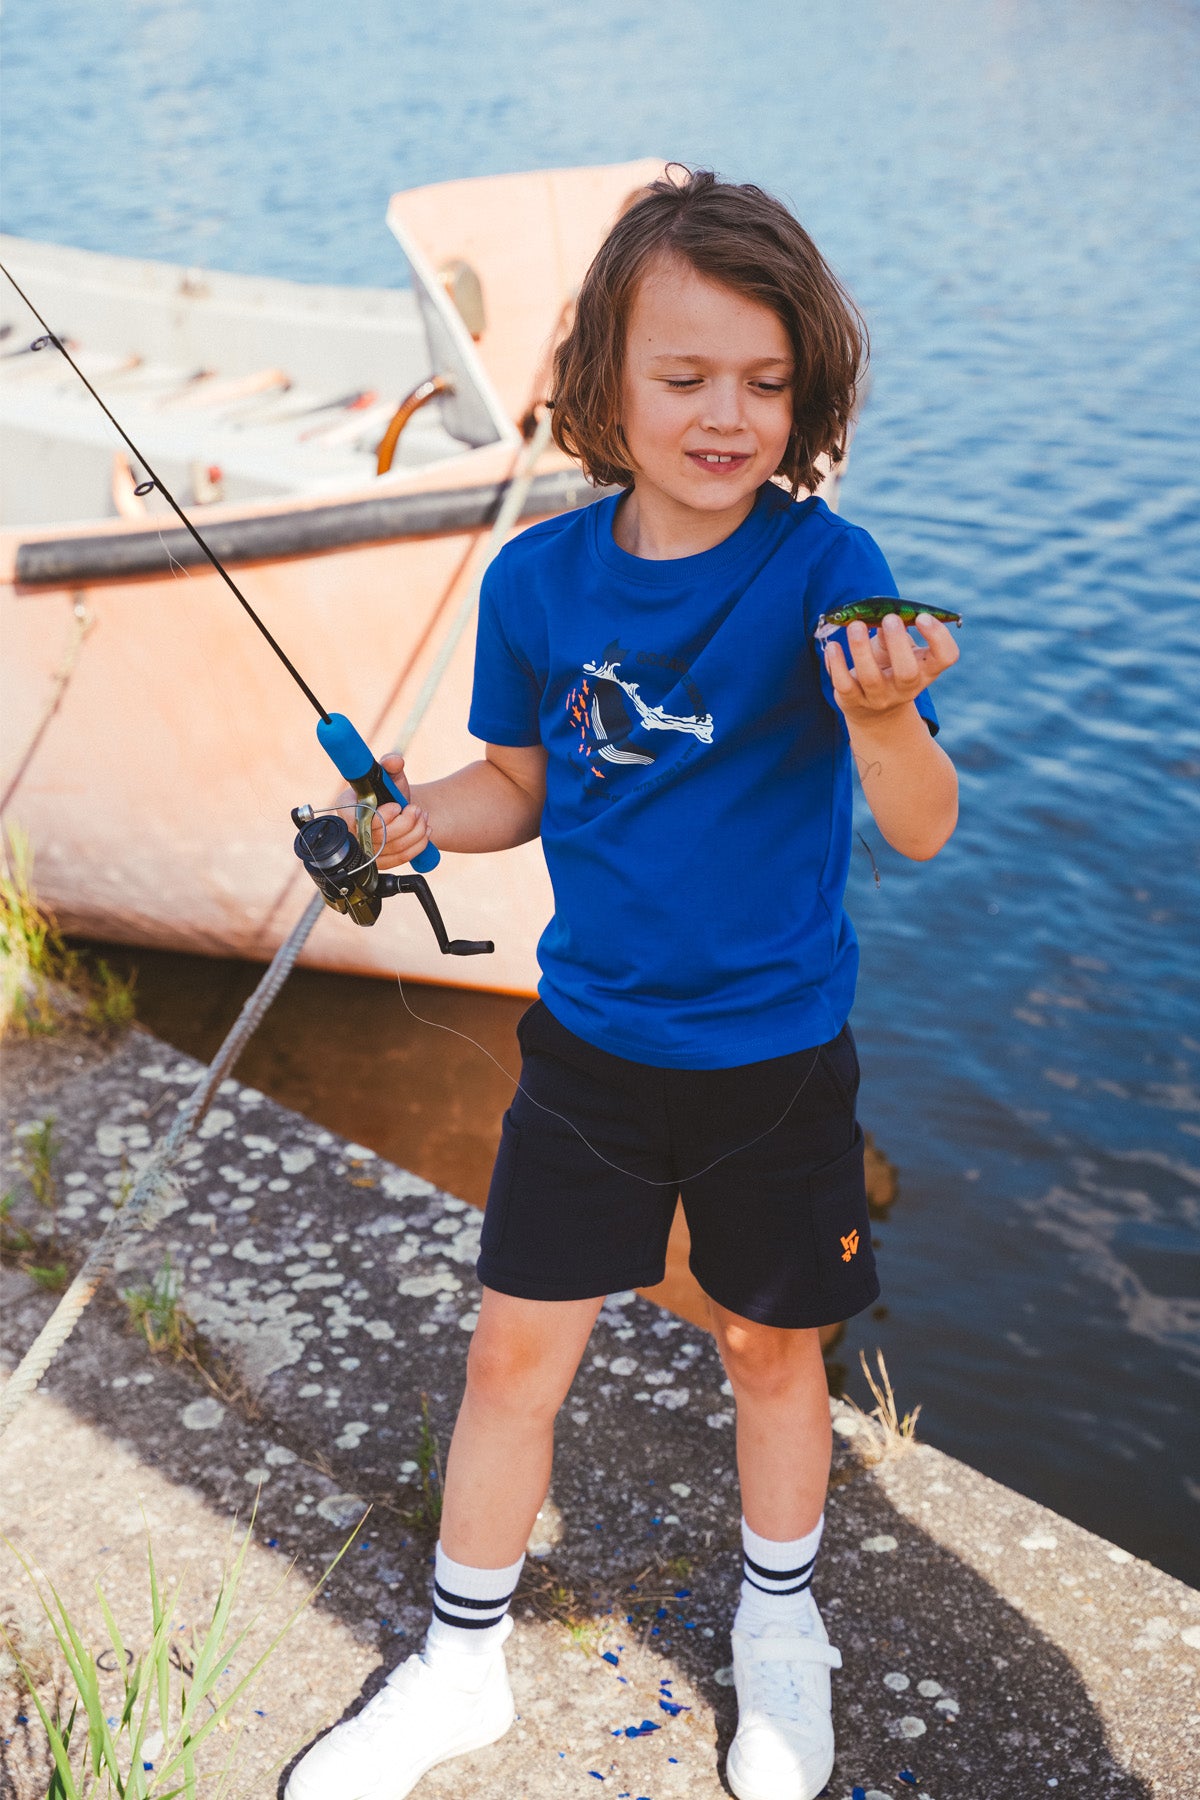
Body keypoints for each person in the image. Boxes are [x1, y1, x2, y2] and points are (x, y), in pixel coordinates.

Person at [286, 165, 959, 1800]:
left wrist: (884, 715)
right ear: (606, 384)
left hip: (779, 1059)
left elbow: (926, 830)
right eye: (685, 378)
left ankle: (782, 1628)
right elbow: (518, 782)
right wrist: (412, 820)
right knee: (516, 1353)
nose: (726, 415)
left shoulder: (828, 567)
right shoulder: (537, 583)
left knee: (768, 1352)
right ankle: (458, 1669)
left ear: (807, 391)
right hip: (587, 1045)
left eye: (765, 381)